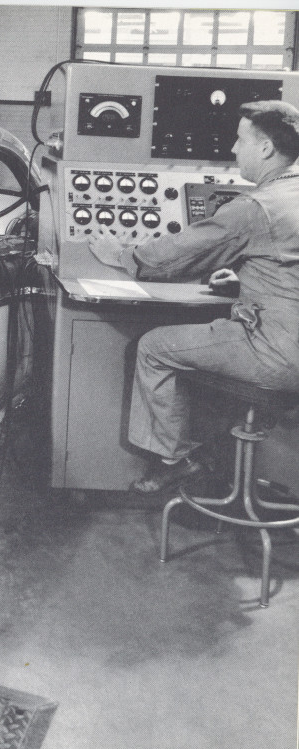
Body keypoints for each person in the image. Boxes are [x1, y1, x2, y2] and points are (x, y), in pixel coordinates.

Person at [87, 100, 299, 493]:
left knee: (153, 347)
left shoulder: (257, 206)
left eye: (239, 140)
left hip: (279, 355)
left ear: (267, 147)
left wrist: (119, 254)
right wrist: (243, 281)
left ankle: (174, 459)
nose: (233, 150)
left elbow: (173, 257)